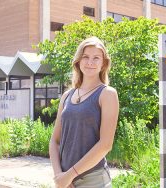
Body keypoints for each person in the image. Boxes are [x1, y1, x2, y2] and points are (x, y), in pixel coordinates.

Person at [49, 36, 119, 188]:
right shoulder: (67, 96)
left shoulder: (107, 94)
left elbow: (105, 145)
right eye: (85, 57)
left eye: (96, 58)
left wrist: (69, 175)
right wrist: (59, 177)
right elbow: (54, 141)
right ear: (78, 61)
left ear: (104, 63)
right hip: (65, 180)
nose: (90, 62)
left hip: (94, 180)